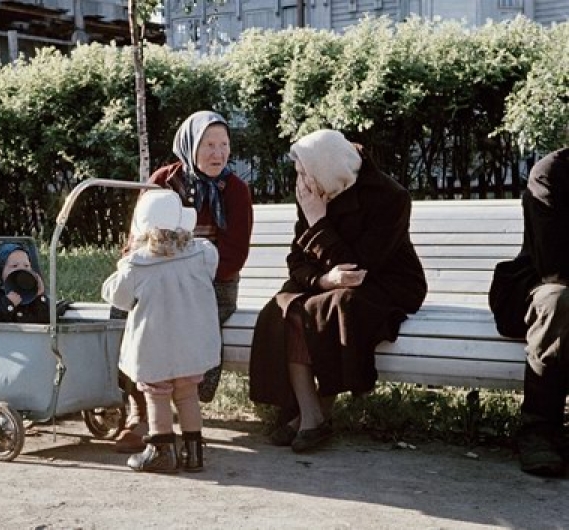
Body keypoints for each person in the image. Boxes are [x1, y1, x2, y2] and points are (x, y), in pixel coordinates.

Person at [249, 129, 427, 453]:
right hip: (329, 280)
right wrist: (322, 281)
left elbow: (358, 268)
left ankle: (314, 415)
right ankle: (310, 412)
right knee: (284, 307)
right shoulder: (313, 192)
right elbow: (296, 260)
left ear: (326, 168)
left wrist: (318, 221)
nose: (301, 182)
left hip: (386, 282)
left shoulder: (390, 196)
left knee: (331, 307)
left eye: (305, 172)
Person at [112, 110, 254, 454]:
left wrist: (186, 275)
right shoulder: (163, 180)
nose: (218, 153)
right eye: (209, 145)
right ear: (190, 145)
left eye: (224, 145)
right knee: (126, 318)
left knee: (182, 320)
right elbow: (137, 237)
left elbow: (234, 255)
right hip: (157, 276)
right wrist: (154, 271)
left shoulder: (236, 191)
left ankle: (182, 409)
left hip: (211, 282)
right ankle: (139, 411)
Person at [102, 189, 221, 473]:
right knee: (187, 393)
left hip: (154, 346)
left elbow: (117, 296)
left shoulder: (137, 265)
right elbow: (211, 274)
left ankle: (162, 451)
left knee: (157, 394)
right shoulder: (203, 253)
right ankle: (193, 453)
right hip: (191, 342)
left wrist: (125, 260)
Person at [488, 147, 569, 477]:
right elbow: (553, 264)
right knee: (558, 301)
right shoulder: (550, 173)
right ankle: (539, 431)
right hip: (542, 282)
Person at [0, 242, 50, 324]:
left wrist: (40, 296)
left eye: (26, 266)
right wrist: (8, 303)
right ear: (1, 271)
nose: (21, 269)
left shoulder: (34, 297)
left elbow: (48, 320)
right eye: (14, 266)